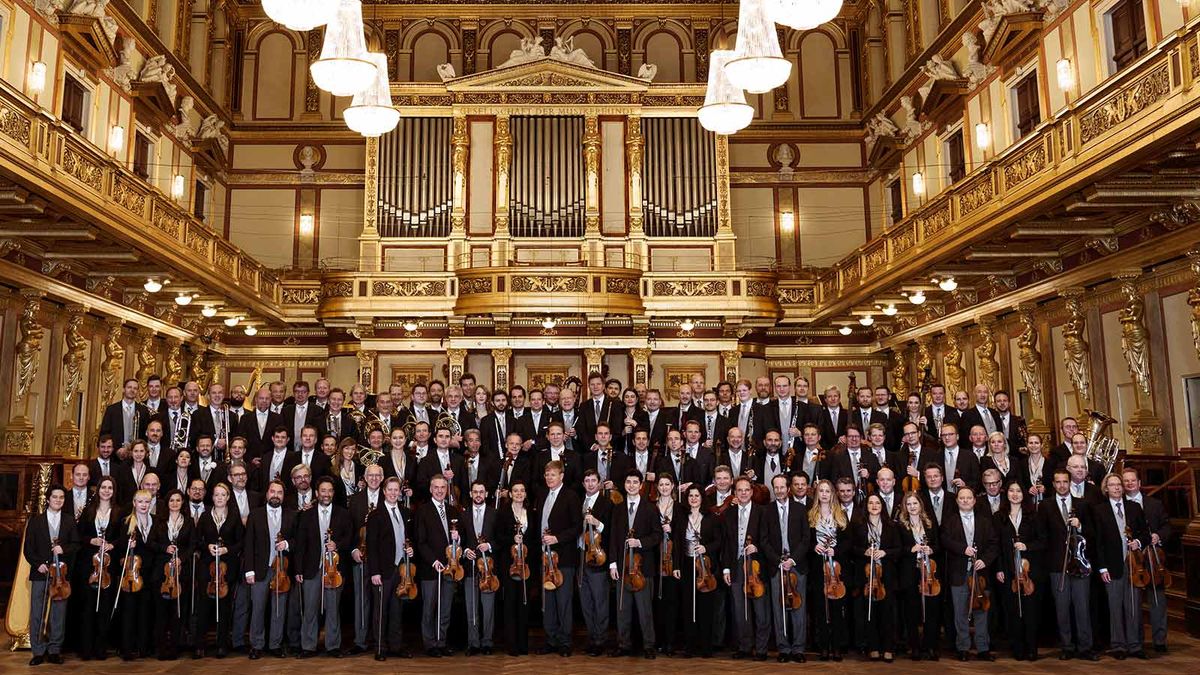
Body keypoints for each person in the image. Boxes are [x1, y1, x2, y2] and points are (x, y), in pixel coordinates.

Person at [294, 476, 352, 657]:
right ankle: (308, 646)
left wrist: (337, 545)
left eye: (330, 491)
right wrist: (298, 569)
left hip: (334, 569)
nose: (326, 494)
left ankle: (333, 646)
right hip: (312, 568)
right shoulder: (306, 515)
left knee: (333, 608)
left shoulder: (343, 514)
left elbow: (350, 538)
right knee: (310, 609)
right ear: (317, 493)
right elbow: (300, 544)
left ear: (333, 493)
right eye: (323, 491)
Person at [1095, 473, 1149, 660]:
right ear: (1106, 489)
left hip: (1133, 564)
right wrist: (1102, 568)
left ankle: (1135, 645)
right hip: (1112, 565)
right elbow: (1098, 542)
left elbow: (1145, 533)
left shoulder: (1134, 507)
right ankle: (1118, 645)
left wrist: (1138, 542)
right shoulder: (1099, 510)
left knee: (1133, 605)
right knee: (1115, 606)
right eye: (1112, 485)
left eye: (1119, 484)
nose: (1117, 487)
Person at [608, 469, 660, 659]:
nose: (631, 485)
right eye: (628, 482)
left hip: (642, 568)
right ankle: (623, 644)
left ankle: (649, 645)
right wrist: (613, 564)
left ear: (641, 485)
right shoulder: (618, 508)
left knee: (645, 609)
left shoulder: (650, 508)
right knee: (622, 608)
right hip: (623, 567)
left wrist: (639, 542)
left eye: (635, 482)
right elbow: (613, 537)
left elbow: (657, 535)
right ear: (624, 485)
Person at [25, 485, 78, 666]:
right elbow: (28, 549)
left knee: (58, 613)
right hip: (40, 573)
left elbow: (76, 544)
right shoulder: (35, 521)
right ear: (48, 499)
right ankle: (38, 651)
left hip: (60, 575)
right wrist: (37, 564)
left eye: (61, 497)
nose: (58, 500)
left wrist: (64, 549)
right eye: (55, 497)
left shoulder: (69, 521)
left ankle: (55, 650)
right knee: (37, 613)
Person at [943, 486, 997, 661]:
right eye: (962, 498)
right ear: (957, 501)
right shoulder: (950, 521)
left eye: (968, 498)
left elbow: (994, 544)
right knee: (960, 612)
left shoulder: (985, 521)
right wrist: (962, 549)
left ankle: (983, 648)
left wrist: (985, 560)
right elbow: (945, 540)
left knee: (982, 611)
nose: (965, 500)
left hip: (981, 574)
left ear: (974, 500)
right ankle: (963, 647)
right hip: (958, 573)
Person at [721, 476, 772, 661]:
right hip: (736, 566)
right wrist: (726, 568)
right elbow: (726, 543)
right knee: (740, 610)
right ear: (735, 492)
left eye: (746, 490)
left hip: (756, 567)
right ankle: (745, 646)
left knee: (760, 610)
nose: (743, 493)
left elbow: (769, 539)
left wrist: (756, 547)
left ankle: (761, 649)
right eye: (739, 490)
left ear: (752, 492)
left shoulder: (763, 512)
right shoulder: (728, 513)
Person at [243, 480, 296, 658]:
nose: (275, 495)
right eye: (272, 491)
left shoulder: (291, 515)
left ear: (283, 496)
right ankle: (256, 645)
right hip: (260, 569)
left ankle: (275, 644)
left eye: (279, 492)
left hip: (281, 570)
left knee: (279, 609)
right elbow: (249, 544)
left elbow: (298, 540)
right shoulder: (255, 515)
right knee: (258, 608)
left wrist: (287, 544)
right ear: (267, 494)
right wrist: (249, 570)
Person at [364, 477, 415, 660]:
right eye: (390, 490)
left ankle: (396, 646)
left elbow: (410, 538)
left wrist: (411, 549)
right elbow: (371, 546)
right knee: (381, 610)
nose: (393, 493)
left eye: (396, 490)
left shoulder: (406, 512)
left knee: (396, 610)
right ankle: (380, 648)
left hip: (401, 569)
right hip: (383, 570)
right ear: (384, 492)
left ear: (400, 492)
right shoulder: (375, 515)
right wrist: (374, 572)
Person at [1122, 467, 1170, 652]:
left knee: (1157, 599)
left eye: (1132, 480)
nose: (1129, 483)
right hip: (1132, 559)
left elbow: (1167, 526)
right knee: (1133, 601)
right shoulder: (1119, 504)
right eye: (1126, 481)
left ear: (1139, 483)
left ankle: (1160, 640)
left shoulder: (1154, 504)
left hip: (1153, 557)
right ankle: (1137, 642)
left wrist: (1158, 535)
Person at [537, 460, 582, 656]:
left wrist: (557, 538)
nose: (549, 478)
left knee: (563, 601)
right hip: (545, 558)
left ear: (561, 476)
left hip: (564, 558)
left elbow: (577, 527)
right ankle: (551, 640)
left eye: (553, 474)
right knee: (549, 601)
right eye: (547, 474)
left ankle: (565, 642)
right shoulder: (542, 495)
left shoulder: (571, 496)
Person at [994, 479, 1042, 661]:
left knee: (1030, 611)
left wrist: (1026, 546)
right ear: (1006, 494)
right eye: (1011, 491)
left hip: (1029, 571)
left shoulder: (1033, 516)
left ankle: (1032, 648)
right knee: (1012, 610)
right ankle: (1017, 648)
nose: (1015, 494)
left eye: (1019, 491)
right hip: (1008, 569)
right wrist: (999, 568)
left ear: (1024, 494)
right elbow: (996, 545)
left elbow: (1043, 541)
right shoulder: (999, 517)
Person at [196, 483, 242, 658]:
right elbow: (197, 540)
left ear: (228, 497)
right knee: (204, 604)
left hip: (226, 566)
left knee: (224, 606)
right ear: (212, 497)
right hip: (207, 566)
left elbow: (241, 542)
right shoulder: (205, 516)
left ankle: (222, 644)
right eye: (216, 495)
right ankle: (200, 644)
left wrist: (226, 549)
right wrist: (207, 546)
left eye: (223, 495)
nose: (220, 498)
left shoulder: (234, 516)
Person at [766, 473, 809, 663]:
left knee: (799, 608)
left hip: (797, 565)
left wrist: (793, 560)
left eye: (782, 487)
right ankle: (783, 648)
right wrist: (778, 561)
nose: (779, 490)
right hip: (777, 566)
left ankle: (798, 648)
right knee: (779, 609)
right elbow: (764, 540)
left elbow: (806, 539)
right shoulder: (767, 510)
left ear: (788, 488)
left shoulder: (800, 509)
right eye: (776, 487)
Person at [675, 483, 721, 658]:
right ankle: (690, 646)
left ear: (702, 498)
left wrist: (705, 548)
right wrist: (676, 566)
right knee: (688, 606)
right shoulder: (682, 518)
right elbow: (677, 543)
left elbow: (719, 541)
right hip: (687, 564)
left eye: (697, 495)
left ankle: (706, 646)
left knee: (705, 606)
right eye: (690, 496)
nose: (693, 499)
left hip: (704, 565)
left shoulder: (711, 517)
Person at [853, 492, 899, 662]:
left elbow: (899, 549)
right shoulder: (859, 525)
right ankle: (873, 646)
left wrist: (885, 552)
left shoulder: (891, 526)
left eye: (877, 503)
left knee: (887, 612)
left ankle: (888, 647)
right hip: (866, 575)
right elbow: (852, 548)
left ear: (882, 506)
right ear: (866, 506)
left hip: (886, 575)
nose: (874, 506)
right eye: (871, 503)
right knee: (869, 612)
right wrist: (864, 552)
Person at [147, 489, 192, 660]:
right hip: (161, 573)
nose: (174, 503)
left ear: (182, 502)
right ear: (167, 503)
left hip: (180, 572)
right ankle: (160, 648)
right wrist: (164, 548)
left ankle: (174, 648)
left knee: (176, 613)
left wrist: (182, 558)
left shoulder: (188, 522)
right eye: (171, 500)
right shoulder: (159, 521)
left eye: (178, 500)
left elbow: (192, 545)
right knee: (161, 612)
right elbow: (151, 542)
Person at [809, 478, 849, 661]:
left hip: (836, 568)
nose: (824, 494)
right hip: (818, 567)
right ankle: (823, 646)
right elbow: (805, 539)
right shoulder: (810, 515)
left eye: (827, 491)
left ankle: (837, 646)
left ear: (832, 494)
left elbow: (848, 541)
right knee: (820, 609)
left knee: (837, 609)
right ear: (817, 494)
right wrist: (814, 546)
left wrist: (837, 550)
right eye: (821, 491)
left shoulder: (841, 515)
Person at [897, 492, 939, 660]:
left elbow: (938, 545)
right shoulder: (900, 525)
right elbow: (897, 549)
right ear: (905, 507)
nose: (912, 507)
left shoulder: (930, 523)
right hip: (910, 571)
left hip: (928, 572)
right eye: (909, 504)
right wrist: (910, 549)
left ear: (920, 505)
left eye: (915, 503)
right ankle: (914, 646)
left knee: (931, 610)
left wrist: (931, 549)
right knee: (911, 610)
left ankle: (930, 646)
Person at [496, 479, 535, 656]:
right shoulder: (503, 513)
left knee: (524, 603)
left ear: (525, 494)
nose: (519, 493)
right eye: (516, 491)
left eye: (522, 490)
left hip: (526, 564)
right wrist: (512, 539)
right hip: (509, 564)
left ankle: (523, 644)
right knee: (510, 603)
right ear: (510, 494)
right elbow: (498, 537)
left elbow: (533, 538)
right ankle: (511, 645)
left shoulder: (531, 512)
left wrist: (525, 546)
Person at [577, 469, 613, 656]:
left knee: (600, 602)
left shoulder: (607, 503)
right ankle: (592, 638)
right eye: (587, 480)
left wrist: (598, 523)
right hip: (581, 557)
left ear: (599, 483)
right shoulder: (579, 502)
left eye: (593, 480)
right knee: (586, 602)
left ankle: (601, 640)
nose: (590, 484)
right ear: (583, 484)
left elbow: (612, 530)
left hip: (597, 557)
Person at [460, 480, 498, 655]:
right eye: (475, 492)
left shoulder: (494, 514)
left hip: (488, 570)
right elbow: (460, 539)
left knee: (488, 608)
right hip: (470, 568)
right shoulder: (464, 514)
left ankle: (487, 642)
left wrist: (489, 545)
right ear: (470, 494)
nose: (478, 495)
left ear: (486, 494)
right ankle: (473, 643)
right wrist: (465, 550)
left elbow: (502, 539)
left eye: (481, 492)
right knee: (471, 608)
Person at [117, 490, 155, 660]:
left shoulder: (156, 521)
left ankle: (143, 647)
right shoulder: (127, 522)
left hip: (149, 572)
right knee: (129, 611)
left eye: (147, 502)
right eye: (140, 502)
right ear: (134, 503)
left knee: (145, 612)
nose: (144, 505)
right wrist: (128, 545)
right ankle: (127, 648)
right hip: (132, 573)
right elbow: (120, 548)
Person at [652, 473, 680, 655]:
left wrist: (672, 528)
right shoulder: (651, 507)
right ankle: (659, 640)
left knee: (671, 602)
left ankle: (670, 641)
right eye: (661, 484)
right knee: (657, 602)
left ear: (672, 486)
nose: (664, 487)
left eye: (667, 484)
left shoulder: (679, 507)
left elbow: (682, 533)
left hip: (671, 559)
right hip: (655, 558)